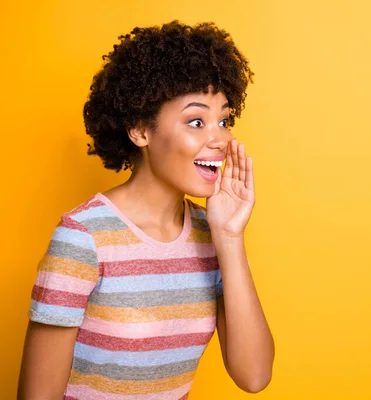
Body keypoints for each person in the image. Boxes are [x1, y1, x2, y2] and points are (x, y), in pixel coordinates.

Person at [17, 20, 274, 399]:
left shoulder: (212, 234)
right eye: (197, 121)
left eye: (224, 120)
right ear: (140, 130)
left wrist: (230, 237)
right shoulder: (83, 238)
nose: (220, 138)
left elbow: (254, 376)